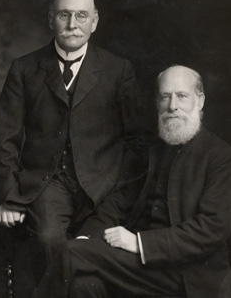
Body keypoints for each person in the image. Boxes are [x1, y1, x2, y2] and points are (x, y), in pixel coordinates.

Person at [33, 65, 231, 298]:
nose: (172, 106)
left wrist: (139, 242)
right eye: (165, 96)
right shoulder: (153, 150)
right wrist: (87, 238)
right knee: (83, 284)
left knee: (70, 254)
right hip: (141, 268)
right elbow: (120, 202)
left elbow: (213, 229)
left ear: (200, 101)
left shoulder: (220, 155)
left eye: (182, 96)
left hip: (188, 274)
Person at [0, 0, 146, 264]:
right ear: (51, 19)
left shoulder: (118, 70)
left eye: (81, 16)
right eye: (64, 15)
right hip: (47, 183)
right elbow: (5, 139)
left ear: (95, 21)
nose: (73, 25)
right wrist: (8, 196)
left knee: (90, 252)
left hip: (102, 186)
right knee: (51, 241)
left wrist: (119, 189)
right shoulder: (24, 68)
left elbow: (136, 142)